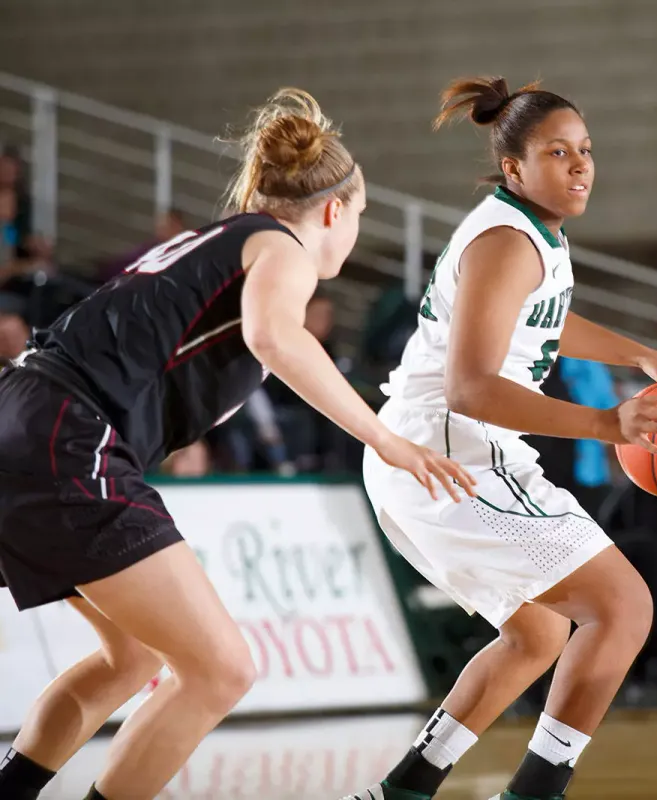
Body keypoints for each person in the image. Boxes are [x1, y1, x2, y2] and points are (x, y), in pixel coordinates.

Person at [0, 89, 474, 800]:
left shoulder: (224, 243)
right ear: (335, 210)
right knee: (221, 669)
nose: (354, 232)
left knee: (130, 658)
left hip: (25, 414)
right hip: (65, 433)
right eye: (362, 215)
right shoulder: (283, 249)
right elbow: (275, 338)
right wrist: (385, 438)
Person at [351, 76, 657, 800]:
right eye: (559, 152)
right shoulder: (504, 241)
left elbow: (543, 321)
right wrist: (606, 425)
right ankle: (534, 793)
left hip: (434, 455)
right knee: (623, 607)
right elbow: (472, 388)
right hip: (450, 454)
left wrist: (637, 355)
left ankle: (400, 791)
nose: (581, 165)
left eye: (586, 150)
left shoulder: (531, 233)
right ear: (515, 167)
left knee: (539, 634)